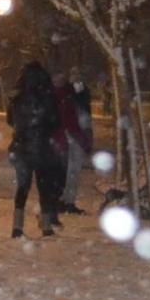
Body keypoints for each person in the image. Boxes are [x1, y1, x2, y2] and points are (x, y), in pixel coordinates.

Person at [6, 60, 67, 238]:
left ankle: (17, 227)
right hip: (42, 148)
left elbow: (10, 121)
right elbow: (55, 122)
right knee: (44, 188)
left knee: (22, 188)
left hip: (21, 147)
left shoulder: (17, 98)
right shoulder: (48, 97)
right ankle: (46, 226)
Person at [57, 71, 93, 213]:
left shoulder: (67, 97)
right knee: (70, 172)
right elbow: (84, 121)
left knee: (68, 172)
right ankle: (66, 201)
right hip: (73, 137)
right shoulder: (76, 98)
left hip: (70, 137)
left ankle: (65, 200)